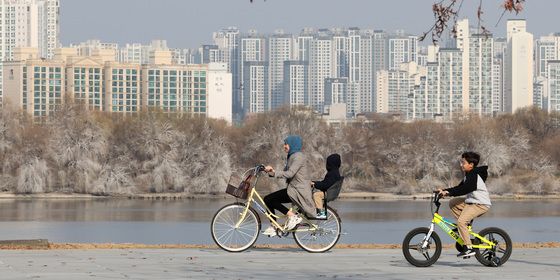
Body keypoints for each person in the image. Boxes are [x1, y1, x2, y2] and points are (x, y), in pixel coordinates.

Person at [437, 151, 491, 258]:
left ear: (471, 165)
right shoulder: (469, 175)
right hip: (472, 202)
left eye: (463, 163)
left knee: (461, 221)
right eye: (461, 162)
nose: (461, 165)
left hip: (480, 204)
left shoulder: (474, 175)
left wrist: (449, 192)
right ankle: (464, 227)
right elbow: (459, 187)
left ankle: (469, 248)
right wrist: (444, 191)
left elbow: (465, 189)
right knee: (453, 203)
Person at [262, 135, 315, 237]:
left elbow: (290, 173)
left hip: (299, 191)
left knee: (269, 199)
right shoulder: (292, 156)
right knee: (268, 199)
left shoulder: (299, 157)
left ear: (292, 145)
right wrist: (271, 171)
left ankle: (291, 217)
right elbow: (285, 172)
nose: (284, 146)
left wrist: (274, 172)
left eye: (286, 144)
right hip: (294, 189)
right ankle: (274, 225)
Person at [311, 153, 342, 219]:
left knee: (316, 195)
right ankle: (318, 209)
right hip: (330, 192)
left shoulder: (332, 173)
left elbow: (325, 185)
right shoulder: (335, 172)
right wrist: (314, 182)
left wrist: (315, 184)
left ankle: (321, 214)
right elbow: (325, 183)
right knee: (314, 195)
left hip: (329, 193)